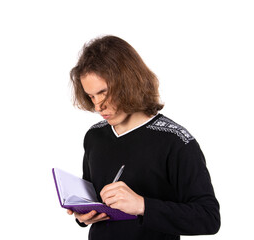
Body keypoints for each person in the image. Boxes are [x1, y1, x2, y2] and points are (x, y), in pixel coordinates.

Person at [67, 35, 220, 240]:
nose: (98, 106)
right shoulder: (94, 136)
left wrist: (142, 205)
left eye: (103, 93)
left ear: (128, 83)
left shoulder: (176, 141)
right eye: (91, 96)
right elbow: (92, 200)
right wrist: (83, 215)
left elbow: (208, 218)